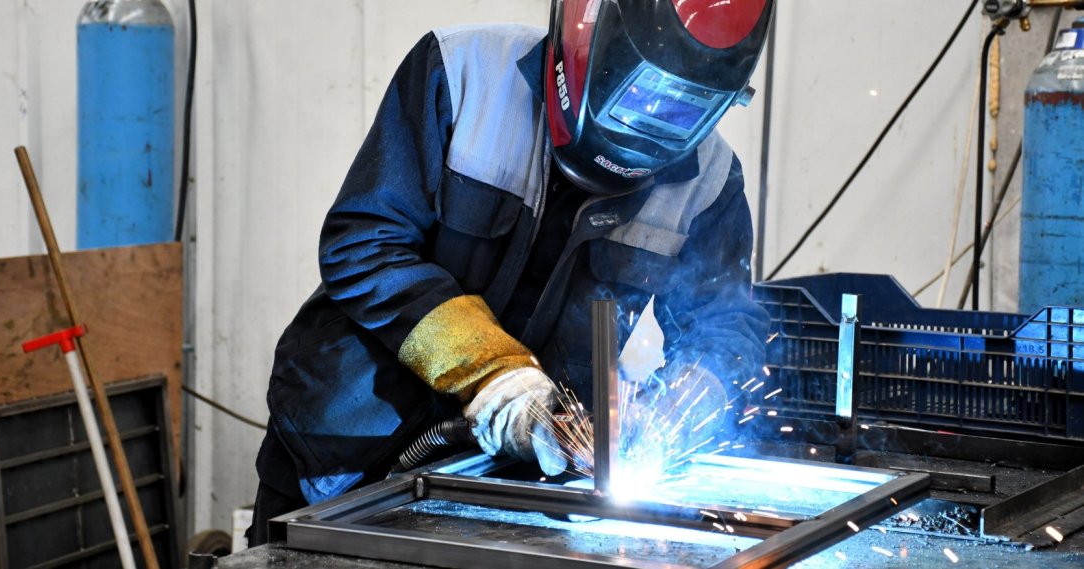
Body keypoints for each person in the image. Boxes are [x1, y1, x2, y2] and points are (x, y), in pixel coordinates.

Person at [248, 0, 774, 545]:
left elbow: (728, 329)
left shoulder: (708, 180)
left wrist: (672, 420)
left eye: (690, 109)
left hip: (515, 491)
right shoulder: (462, 73)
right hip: (345, 459)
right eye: (643, 94)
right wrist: (499, 379)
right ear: (589, 41)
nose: (658, 121)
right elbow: (363, 244)